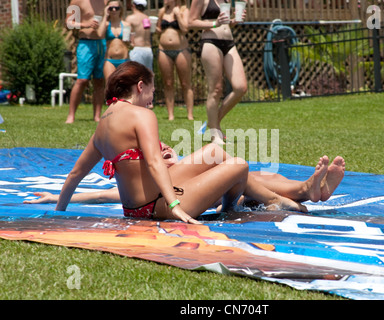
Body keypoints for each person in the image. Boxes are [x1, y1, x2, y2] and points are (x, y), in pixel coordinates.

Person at [53, 61, 311, 224]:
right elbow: (154, 163)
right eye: (151, 93)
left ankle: (274, 198)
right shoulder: (141, 115)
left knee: (214, 152)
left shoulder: (104, 124)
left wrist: (58, 211)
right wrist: (174, 206)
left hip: (139, 207)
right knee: (239, 166)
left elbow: (76, 173)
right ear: (140, 86)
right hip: (157, 206)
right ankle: (232, 210)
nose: (152, 100)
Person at [26, 141, 346, 211]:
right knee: (241, 170)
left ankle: (306, 189)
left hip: (223, 192)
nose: (166, 151)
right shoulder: (150, 185)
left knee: (253, 173)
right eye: (160, 154)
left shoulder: (188, 167)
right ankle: (298, 192)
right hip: (207, 200)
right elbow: (98, 195)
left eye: (169, 150)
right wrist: (56, 196)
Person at [189, 0, 247, 144]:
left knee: (241, 87)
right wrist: (215, 23)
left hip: (229, 42)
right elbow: (190, 22)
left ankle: (212, 122)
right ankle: (214, 132)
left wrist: (233, 21)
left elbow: (225, 22)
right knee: (216, 89)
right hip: (210, 41)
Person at [65, 0, 107, 124]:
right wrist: (86, 24)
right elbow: (68, 23)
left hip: (101, 43)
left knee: (99, 80)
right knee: (82, 80)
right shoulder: (77, 1)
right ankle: (71, 116)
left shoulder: (105, 2)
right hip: (86, 43)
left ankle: (97, 116)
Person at [157, 0, 194, 120]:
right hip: (163, 50)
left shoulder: (184, 11)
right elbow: (158, 29)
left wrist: (178, 16)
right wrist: (158, 20)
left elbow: (185, 29)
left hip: (181, 50)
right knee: (168, 83)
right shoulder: (162, 11)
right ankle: (171, 115)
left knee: (185, 83)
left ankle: (189, 115)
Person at [97, 1, 131, 80]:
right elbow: (99, 34)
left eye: (117, 8)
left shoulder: (126, 25)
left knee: (124, 87)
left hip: (124, 59)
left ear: (120, 10)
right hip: (109, 60)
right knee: (110, 85)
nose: (114, 10)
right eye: (111, 8)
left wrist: (130, 42)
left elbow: (130, 43)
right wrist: (105, 16)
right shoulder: (106, 24)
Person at [126, 0, 154, 71]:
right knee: (147, 77)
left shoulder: (130, 18)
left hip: (137, 49)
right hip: (148, 50)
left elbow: (126, 35)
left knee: (136, 75)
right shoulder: (147, 18)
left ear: (133, 5)